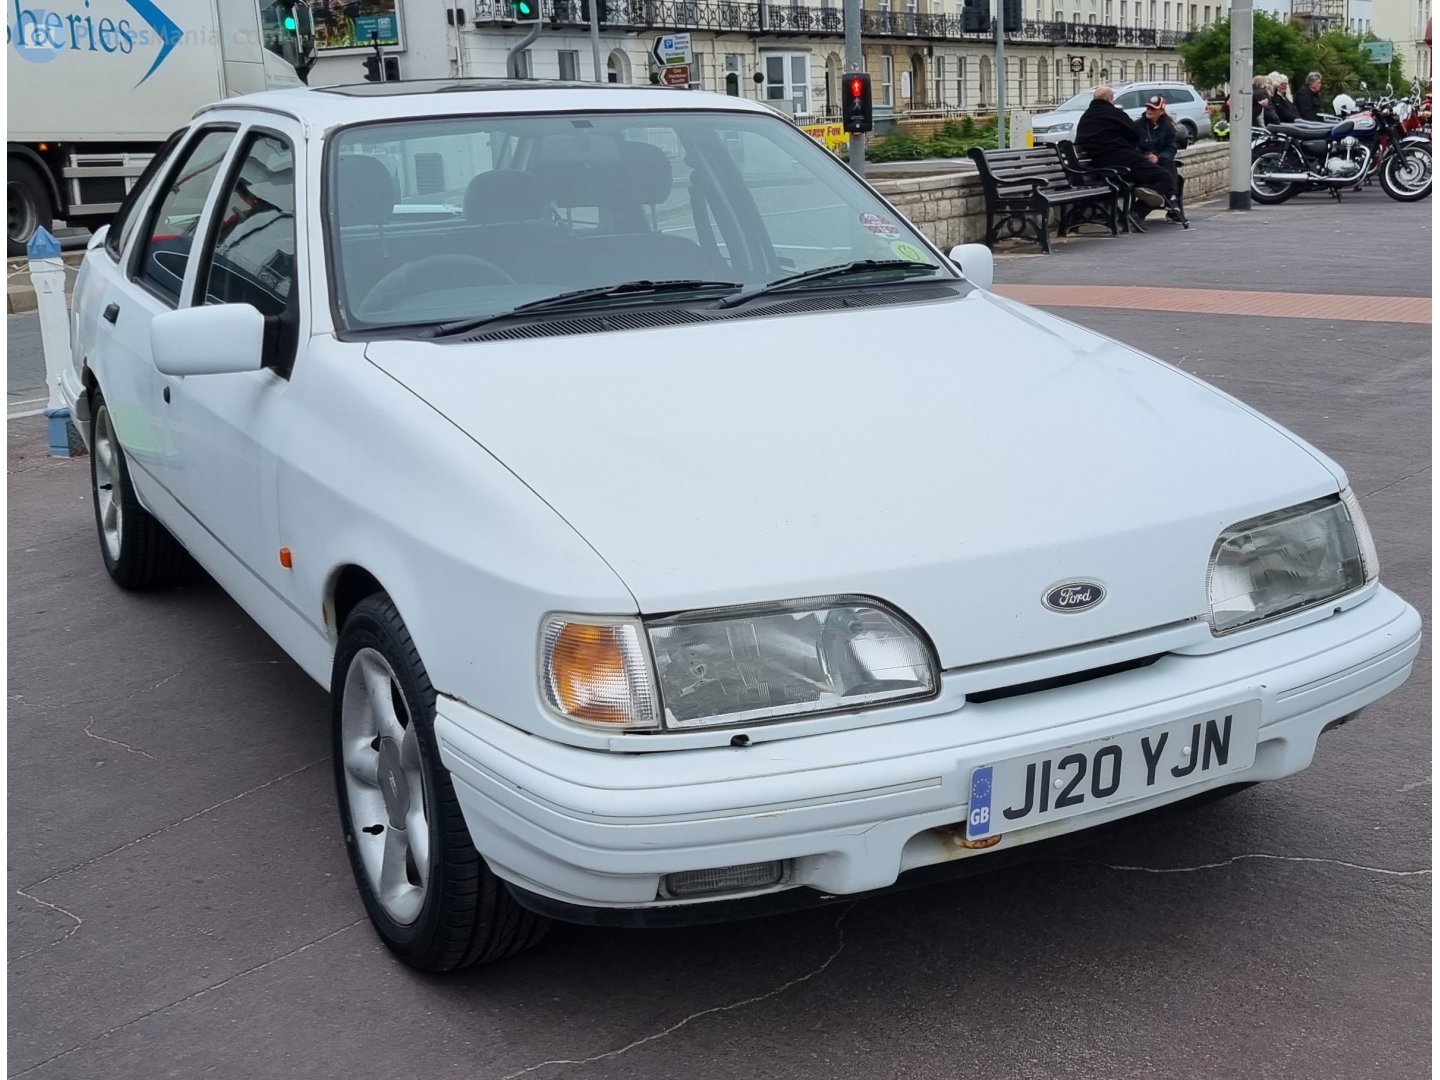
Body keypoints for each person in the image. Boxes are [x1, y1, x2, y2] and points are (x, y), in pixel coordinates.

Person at [1074, 85, 1179, 219]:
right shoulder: (1115, 114)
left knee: (1160, 171)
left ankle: (1145, 198)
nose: (1149, 110)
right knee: (1164, 177)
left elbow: (1080, 140)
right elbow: (1135, 135)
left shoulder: (1085, 118)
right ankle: (1136, 212)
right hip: (1123, 162)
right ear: (1110, 99)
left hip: (1098, 165)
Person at [1134, 95, 1186, 223]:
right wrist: (1146, 156)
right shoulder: (1137, 125)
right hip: (1143, 165)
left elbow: (1171, 148)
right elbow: (1133, 147)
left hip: (1160, 164)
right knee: (1166, 177)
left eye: (1153, 108)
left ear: (1161, 111)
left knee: (1168, 164)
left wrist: (1158, 157)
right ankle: (1172, 200)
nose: (1149, 110)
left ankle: (1137, 211)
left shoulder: (1168, 127)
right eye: (1148, 107)